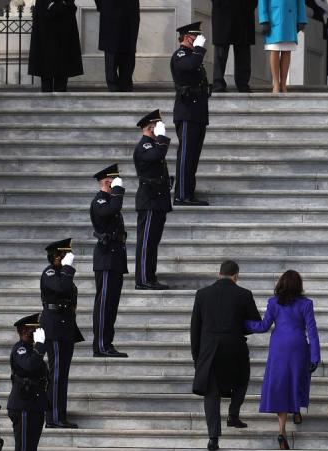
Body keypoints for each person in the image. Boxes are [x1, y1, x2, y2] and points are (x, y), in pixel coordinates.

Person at [246, 270, 321, 450]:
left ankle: (282, 430)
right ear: (299, 285)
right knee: (297, 379)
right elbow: (312, 331)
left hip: (279, 347)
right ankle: (296, 410)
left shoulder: (273, 303)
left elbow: (263, 326)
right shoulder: (306, 304)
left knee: (281, 385)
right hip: (298, 346)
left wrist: (243, 323)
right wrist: (315, 355)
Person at [191, 260, 261, 451]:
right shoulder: (244, 294)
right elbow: (255, 323)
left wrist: (197, 358)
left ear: (219, 273)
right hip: (234, 348)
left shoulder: (202, 294)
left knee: (211, 394)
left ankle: (213, 437)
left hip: (209, 350)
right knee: (242, 379)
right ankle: (233, 414)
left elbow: (195, 329)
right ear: (236, 275)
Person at [40, 238, 84, 429]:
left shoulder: (61, 273)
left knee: (62, 375)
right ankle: (54, 417)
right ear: (57, 256)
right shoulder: (50, 272)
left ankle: (60, 414)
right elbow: (62, 288)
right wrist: (66, 269)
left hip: (65, 327)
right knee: (56, 374)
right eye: (65, 255)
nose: (68, 259)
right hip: (54, 327)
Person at [7, 314, 48, 451]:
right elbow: (30, 366)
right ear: (24, 331)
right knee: (24, 450)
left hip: (33, 406)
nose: (37, 332)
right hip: (23, 406)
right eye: (34, 329)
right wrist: (39, 347)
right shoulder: (21, 349)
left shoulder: (32, 350)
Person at [90, 164, 128, 357]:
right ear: (107, 181)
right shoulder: (100, 201)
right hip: (106, 258)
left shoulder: (108, 200)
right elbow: (112, 209)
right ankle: (101, 346)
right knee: (104, 304)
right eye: (114, 180)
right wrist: (118, 191)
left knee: (111, 305)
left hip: (114, 258)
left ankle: (107, 343)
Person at [133, 109, 173, 290]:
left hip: (158, 200)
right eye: (157, 127)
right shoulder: (145, 146)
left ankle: (150, 276)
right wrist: (162, 138)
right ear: (150, 128)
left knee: (153, 241)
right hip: (149, 200)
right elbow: (158, 156)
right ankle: (143, 279)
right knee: (146, 241)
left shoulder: (153, 145)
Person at [171, 22, 210, 206]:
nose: (199, 40)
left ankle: (189, 193)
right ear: (187, 37)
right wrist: (199, 50)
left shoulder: (193, 55)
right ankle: (180, 195)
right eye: (196, 37)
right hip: (186, 112)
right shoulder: (181, 55)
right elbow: (191, 65)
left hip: (198, 112)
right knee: (186, 155)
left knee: (193, 156)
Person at [28, 0, 83, 92]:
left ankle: (60, 92)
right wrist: (50, 4)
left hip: (65, 15)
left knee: (63, 60)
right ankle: (47, 95)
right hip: (45, 15)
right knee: (45, 64)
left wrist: (62, 4)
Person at [259, 0, 307, 93]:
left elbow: (301, 1)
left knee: (287, 51)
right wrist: (264, 20)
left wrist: (301, 19)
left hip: (290, 17)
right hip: (274, 17)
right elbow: (262, 1)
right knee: (275, 50)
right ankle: (276, 84)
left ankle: (283, 84)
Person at [212, 0, 257, 92]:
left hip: (244, 12)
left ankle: (243, 84)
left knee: (243, 52)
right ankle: (218, 84)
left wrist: (250, 5)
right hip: (223, 12)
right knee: (221, 52)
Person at [95, 0, 140, 92]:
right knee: (111, 50)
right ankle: (114, 86)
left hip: (129, 11)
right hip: (110, 9)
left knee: (128, 50)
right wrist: (103, 6)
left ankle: (125, 84)